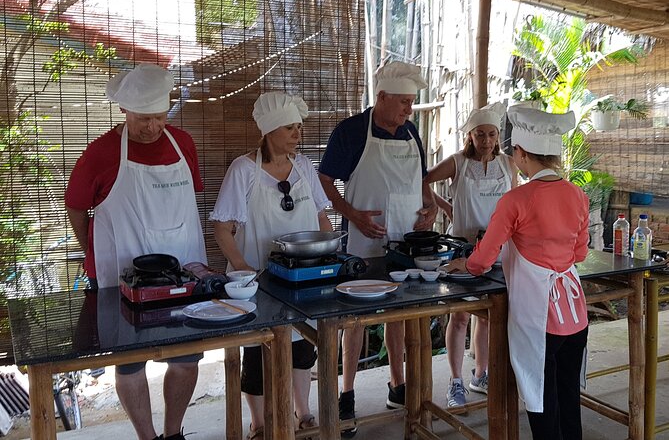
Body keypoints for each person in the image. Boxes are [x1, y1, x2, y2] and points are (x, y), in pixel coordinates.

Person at [65, 64, 207, 440]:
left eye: (160, 117)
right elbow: (77, 207)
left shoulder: (183, 143)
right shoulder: (100, 154)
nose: (153, 127)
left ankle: (173, 432)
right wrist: (91, 250)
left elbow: (189, 195)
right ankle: (147, 437)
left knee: (186, 356)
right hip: (118, 272)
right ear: (125, 111)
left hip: (181, 271)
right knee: (129, 362)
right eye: (144, 119)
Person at [447, 106, 589, 439]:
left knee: (542, 404)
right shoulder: (577, 194)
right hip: (574, 314)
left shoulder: (515, 200)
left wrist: (462, 264)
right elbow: (579, 253)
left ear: (521, 153)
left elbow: (482, 260)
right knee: (569, 400)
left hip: (539, 319)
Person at [318, 61, 438, 437]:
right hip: (364, 242)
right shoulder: (352, 131)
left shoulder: (410, 132)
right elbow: (323, 179)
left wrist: (430, 204)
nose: (407, 110)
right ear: (382, 97)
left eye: (411, 103)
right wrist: (351, 213)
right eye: (403, 102)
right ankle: (347, 393)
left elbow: (420, 177)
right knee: (354, 321)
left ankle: (396, 386)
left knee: (400, 315)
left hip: (407, 240)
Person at [210, 92, 331, 440]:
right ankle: (260, 423)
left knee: (302, 345)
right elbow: (222, 228)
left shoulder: (304, 166)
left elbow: (322, 216)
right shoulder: (244, 170)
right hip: (259, 278)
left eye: (299, 127)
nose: (298, 134)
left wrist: (330, 253)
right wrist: (243, 267)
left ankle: (303, 411)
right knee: (256, 352)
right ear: (268, 131)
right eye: (290, 128)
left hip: (302, 273)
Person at [423, 102, 517, 407]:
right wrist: (444, 206)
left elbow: (514, 203)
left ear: (498, 136)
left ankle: (480, 373)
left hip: (499, 250)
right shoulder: (457, 163)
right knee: (460, 316)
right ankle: (455, 381)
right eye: (480, 135)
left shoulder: (508, 165)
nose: (487, 141)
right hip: (463, 250)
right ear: (471, 136)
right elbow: (423, 180)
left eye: (491, 134)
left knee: (488, 317)